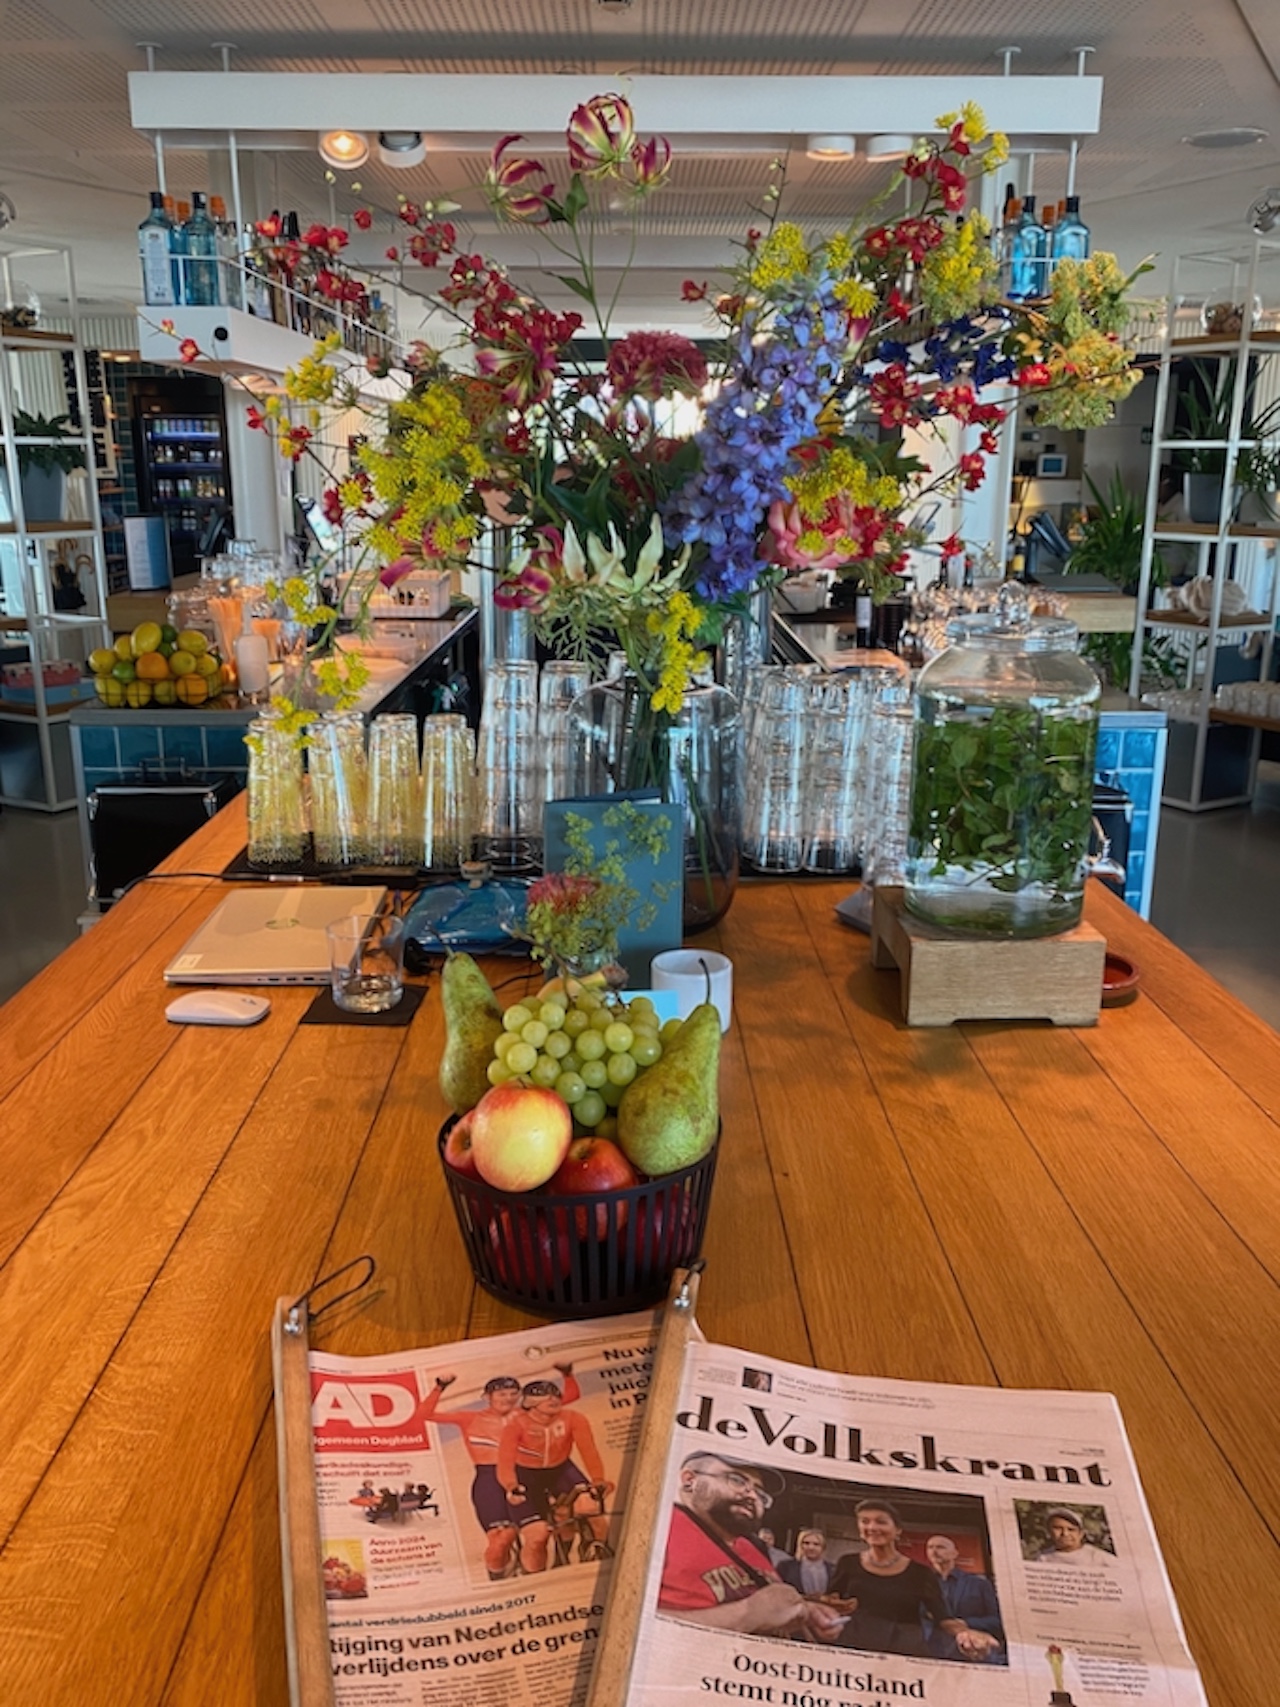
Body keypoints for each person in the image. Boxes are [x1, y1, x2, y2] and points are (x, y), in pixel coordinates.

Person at [657, 1452, 846, 1639]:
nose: (752, 1495)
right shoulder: (659, 1527)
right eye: (737, 1480)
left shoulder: (753, 1547)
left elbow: (769, 1609)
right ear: (690, 1480)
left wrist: (807, 1613)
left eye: (760, 1493)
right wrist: (745, 1614)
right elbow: (633, 1625)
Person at [420, 1367, 576, 1578]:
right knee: (501, 1539)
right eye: (502, 1394)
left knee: (541, 1532)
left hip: (524, 1474)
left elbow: (571, 1396)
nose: (509, 1398)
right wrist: (439, 1387)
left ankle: (545, 1572)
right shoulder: (470, 1418)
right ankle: (497, 1579)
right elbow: (424, 1415)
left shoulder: (527, 1413)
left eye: (514, 1394)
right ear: (487, 1397)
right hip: (489, 1478)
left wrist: (567, 1375)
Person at [828, 1500, 1001, 1662]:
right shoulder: (847, 1562)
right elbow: (830, 1599)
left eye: (881, 1521)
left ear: (897, 1530)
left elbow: (943, 1619)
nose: (872, 1527)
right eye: (865, 1521)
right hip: (855, 1644)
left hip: (904, 1649)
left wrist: (965, 1633)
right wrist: (834, 1604)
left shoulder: (921, 1573)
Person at [497, 1377, 612, 1573]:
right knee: (537, 1536)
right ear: (530, 1404)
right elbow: (505, 1462)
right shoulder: (516, 1425)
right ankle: (534, 1575)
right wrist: (510, 1485)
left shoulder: (573, 1418)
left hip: (561, 1470)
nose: (554, 1400)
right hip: (526, 1476)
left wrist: (598, 1480)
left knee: (592, 1508)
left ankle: (594, 1550)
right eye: (546, 1398)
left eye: (556, 1395)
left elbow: (588, 1451)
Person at [923, 1535, 1005, 1664]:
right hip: (930, 1652)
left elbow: (998, 1621)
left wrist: (966, 1623)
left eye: (940, 1547)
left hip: (972, 1653)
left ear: (954, 1553)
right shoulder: (920, 1583)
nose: (934, 1551)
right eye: (930, 1547)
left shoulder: (978, 1584)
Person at [1034, 1507, 1119, 1567]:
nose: (1065, 1533)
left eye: (1071, 1529)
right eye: (1058, 1528)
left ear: (1081, 1534)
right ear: (1049, 1532)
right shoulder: (1043, 1557)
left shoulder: (1097, 1557)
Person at [780, 1530, 833, 1595]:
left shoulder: (833, 1569)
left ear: (823, 1547)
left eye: (816, 1544)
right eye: (806, 1543)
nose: (811, 1547)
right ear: (800, 1545)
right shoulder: (786, 1566)